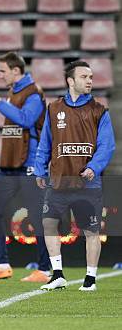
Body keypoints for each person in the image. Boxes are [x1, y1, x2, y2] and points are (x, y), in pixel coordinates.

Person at [35, 61, 115, 291]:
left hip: (87, 183)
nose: (90, 80)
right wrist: (40, 169)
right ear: (71, 81)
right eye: (84, 77)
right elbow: (45, 143)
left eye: (91, 77)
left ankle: (90, 279)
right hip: (59, 180)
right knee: (49, 224)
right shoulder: (54, 108)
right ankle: (57, 274)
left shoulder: (99, 111)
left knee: (91, 231)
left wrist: (94, 167)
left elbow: (107, 146)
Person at [0, 52, 51, 282]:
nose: (0, 75)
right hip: (9, 166)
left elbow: (27, 120)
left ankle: (45, 269)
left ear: (16, 71)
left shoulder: (33, 93)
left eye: (3, 71)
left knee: (39, 217)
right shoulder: (15, 91)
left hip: (30, 165)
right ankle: (2, 265)